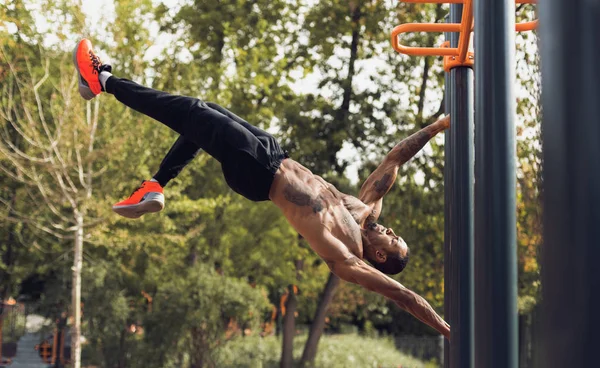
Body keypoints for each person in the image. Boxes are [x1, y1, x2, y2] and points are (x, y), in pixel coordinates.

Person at [74, 39, 451, 339]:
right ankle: (155, 185)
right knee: (205, 114)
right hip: (273, 152)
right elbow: (395, 160)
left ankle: (103, 80)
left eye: (393, 240)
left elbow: (404, 297)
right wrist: (435, 127)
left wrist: (447, 330)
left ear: (381, 258)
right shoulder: (364, 209)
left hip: (259, 173)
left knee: (191, 113)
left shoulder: (348, 260)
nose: (390, 231)